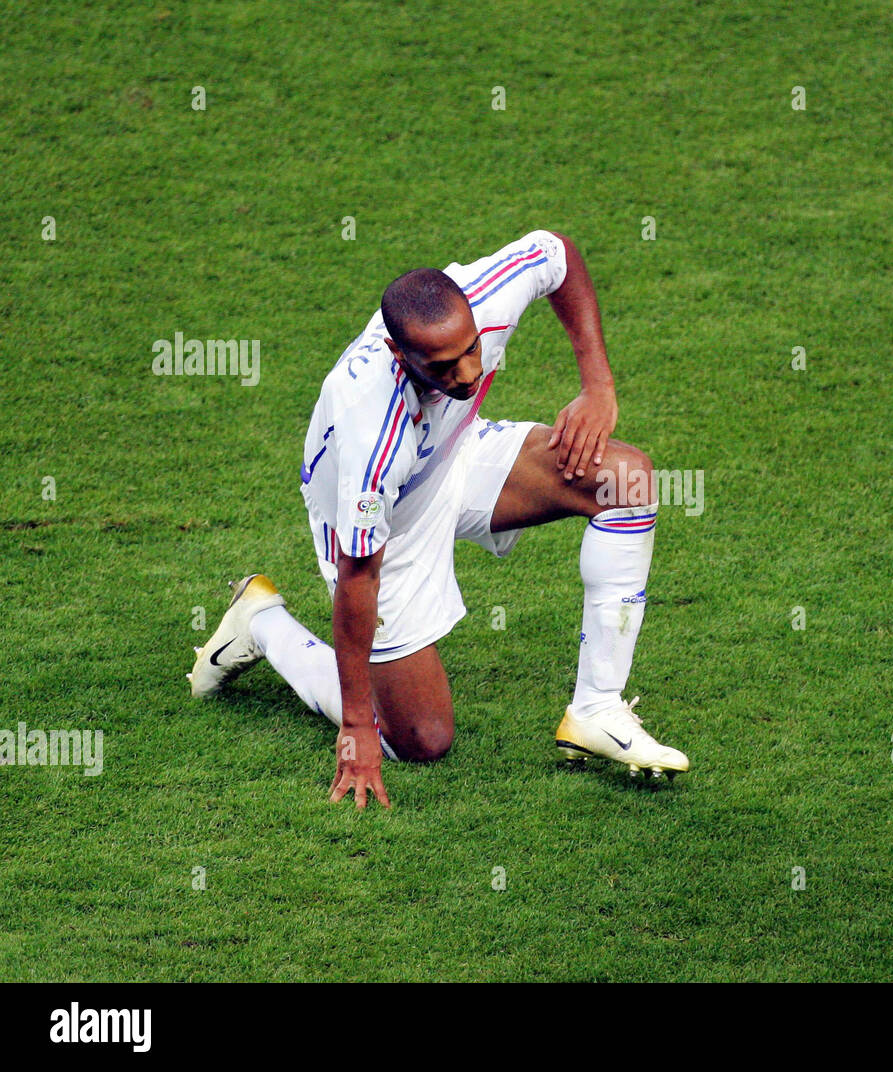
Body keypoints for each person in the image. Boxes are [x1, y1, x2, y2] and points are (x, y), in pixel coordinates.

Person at [188, 229, 688, 807]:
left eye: (473, 348)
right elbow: (359, 579)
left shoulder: (486, 297)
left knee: (625, 480)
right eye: (445, 365)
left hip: (453, 454)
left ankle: (596, 708)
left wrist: (597, 384)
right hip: (382, 526)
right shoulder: (371, 436)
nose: (470, 374)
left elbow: (559, 253)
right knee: (423, 740)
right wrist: (356, 727)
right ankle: (262, 624)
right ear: (401, 357)